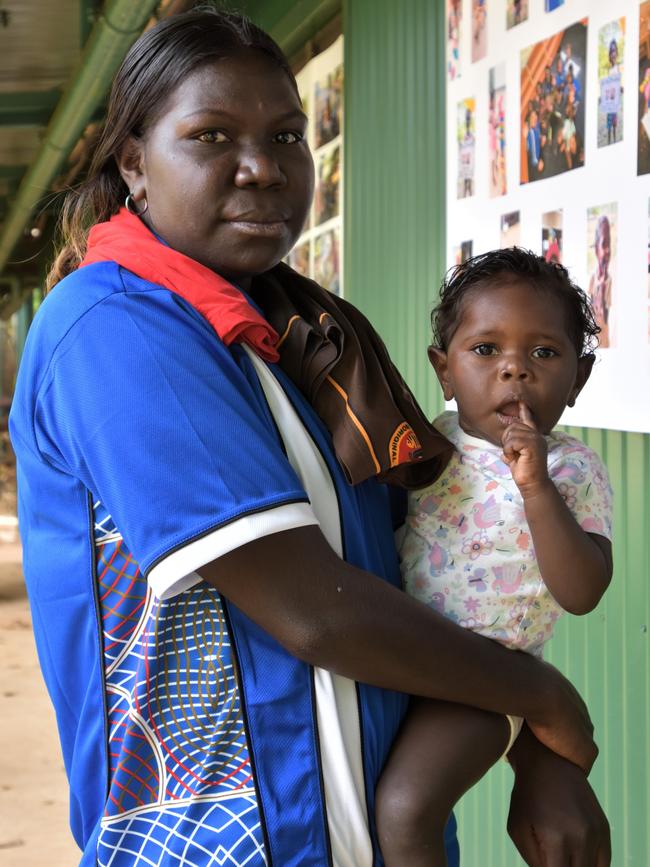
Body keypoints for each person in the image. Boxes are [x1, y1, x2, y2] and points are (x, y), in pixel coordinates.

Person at [9, 8, 610, 867]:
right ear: (135, 163)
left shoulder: (297, 329)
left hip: (360, 825)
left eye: (288, 136)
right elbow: (313, 609)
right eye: (213, 135)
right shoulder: (118, 326)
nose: (262, 168)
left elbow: (418, 581)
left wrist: (520, 737)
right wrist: (545, 702)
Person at [376, 249, 613, 867]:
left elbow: (582, 592)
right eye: (486, 351)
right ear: (444, 371)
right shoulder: (431, 442)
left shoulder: (571, 470)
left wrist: (536, 487)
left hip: (485, 682)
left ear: (579, 378)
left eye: (544, 353)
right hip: (403, 655)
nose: (515, 370)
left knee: (404, 810)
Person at [588, 215, 613, 348]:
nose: (608, 250)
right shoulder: (592, 278)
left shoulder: (610, 280)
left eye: (608, 244)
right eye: (604, 245)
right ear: (597, 249)